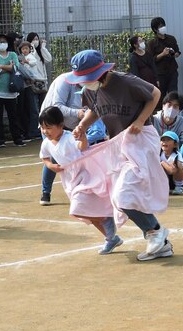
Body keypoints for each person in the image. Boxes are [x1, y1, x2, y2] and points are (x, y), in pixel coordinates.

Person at [71, 50, 173, 261]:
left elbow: (154, 93)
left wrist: (140, 120)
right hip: (117, 144)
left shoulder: (125, 81)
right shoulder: (92, 90)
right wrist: (82, 125)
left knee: (123, 194)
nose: (85, 83)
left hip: (141, 139)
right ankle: (159, 241)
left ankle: (155, 232)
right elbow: (95, 109)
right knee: (122, 196)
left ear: (101, 74)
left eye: (88, 78)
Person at [39, 106, 122, 254]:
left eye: (49, 127)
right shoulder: (46, 143)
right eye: (43, 128)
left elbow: (82, 147)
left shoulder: (69, 137)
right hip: (69, 180)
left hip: (84, 176)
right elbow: (44, 157)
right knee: (87, 212)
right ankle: (111, 238)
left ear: (60, 125)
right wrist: (51, 165)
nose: (45, 131)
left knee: (78, 210)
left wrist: (83, 137)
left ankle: (107, 222)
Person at [38, 72, 85, 206]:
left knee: (76, 155)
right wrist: (78, 113)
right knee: (53, 157)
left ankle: (80, 190)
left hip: (72, 126)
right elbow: (57, 106)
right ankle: (46, 192)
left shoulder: (91, 84)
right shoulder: (64, 81)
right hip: (52, 124)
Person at [0, 33, 25, 148]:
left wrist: (2, 66)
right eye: (0, 42)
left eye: (4, 41)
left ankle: (17, 139)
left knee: (13, 116)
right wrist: (8, 67)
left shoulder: (13, 54)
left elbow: (16, 67)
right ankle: (0, 140)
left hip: (11, 91)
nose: (2, 44)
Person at [147, 17, 180, 98]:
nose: (163, 28)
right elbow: (151, 60)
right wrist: (162, 54)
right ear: (155, 29)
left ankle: (174, 109)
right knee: (161, 95)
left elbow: (178, 51)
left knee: (173, 94)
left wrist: (175, 54)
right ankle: (162, 110)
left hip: (172, 71)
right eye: (160, 26)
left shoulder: (171, 39)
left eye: (163, 25)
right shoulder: (152, 43)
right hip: (160, 73)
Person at [16, 40, 41, 141]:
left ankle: (34, 131)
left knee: (34, 108)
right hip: (26, 83)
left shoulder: (30, 56)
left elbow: (33, 63)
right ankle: (32, 131)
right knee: (30, 109)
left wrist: (26, 61)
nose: (25, 50)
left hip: (32, 82)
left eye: (26, 48)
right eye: (23, 49)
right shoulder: (20, 57)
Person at [25, 32, 52, 106]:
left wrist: (43, 48)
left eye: (37, 39)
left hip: (42, 81)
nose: (35, 41)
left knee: (42, 104)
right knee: (34, 107)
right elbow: (32, 59)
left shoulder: (40, 51)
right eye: (33, 39)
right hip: (33, 82)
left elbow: (48, 59)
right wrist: (32, 48)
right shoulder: (27, 52)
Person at [159, 131, 183, 195]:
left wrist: (162, 163)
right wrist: (163, 164)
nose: (164, 142)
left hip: (177, 180)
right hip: (165, 180)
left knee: (179, 166)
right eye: (163, 140)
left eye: (168, 140)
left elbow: (172, 171)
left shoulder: (177, 155)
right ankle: (164, 188)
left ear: (175, 144)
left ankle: (179, 187)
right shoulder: (159, 154)